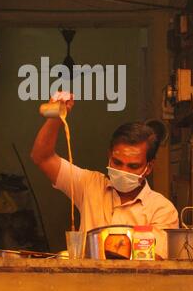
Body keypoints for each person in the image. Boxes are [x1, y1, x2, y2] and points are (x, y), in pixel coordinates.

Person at [31, 92, 179, 259]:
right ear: (109, 156)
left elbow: (156, 261)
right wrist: (55, 117)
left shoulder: (162, 210)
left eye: (133, 166)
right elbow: (42, 157)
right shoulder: (89, 185)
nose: (124, 171)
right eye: (117, 162)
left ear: (149, 167)